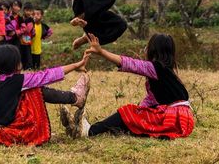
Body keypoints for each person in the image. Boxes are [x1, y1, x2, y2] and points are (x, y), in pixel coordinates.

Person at [61, 33, 194, 139]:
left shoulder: (155, 68)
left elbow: (130, 63)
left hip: (171, 119)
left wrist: (101, 52)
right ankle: (79, 128)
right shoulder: (169, 73)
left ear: (153, 50)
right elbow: (151, 100)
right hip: (183, 121)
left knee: (127, 112)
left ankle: (90, 131)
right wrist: (137, 113)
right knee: (131, 117)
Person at [0, 44, 90, 146]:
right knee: (35, 91)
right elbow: (47, 75)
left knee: (29, 89)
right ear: (15, 64)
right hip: (2, 130)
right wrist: (75, 65)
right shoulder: (18, 81)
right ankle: (75, 98)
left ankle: (74, 99)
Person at [20, 2, 35, 70]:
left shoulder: (31, 20)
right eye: (27, 10)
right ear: (24, 10)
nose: (28, 12)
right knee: (22, 52)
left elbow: (28, 30)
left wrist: (21, 29)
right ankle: (23, 66)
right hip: (20, 38)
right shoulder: (21, 18)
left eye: (30, 11)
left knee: (27, 52)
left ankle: (29, 66)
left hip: (27, 38)